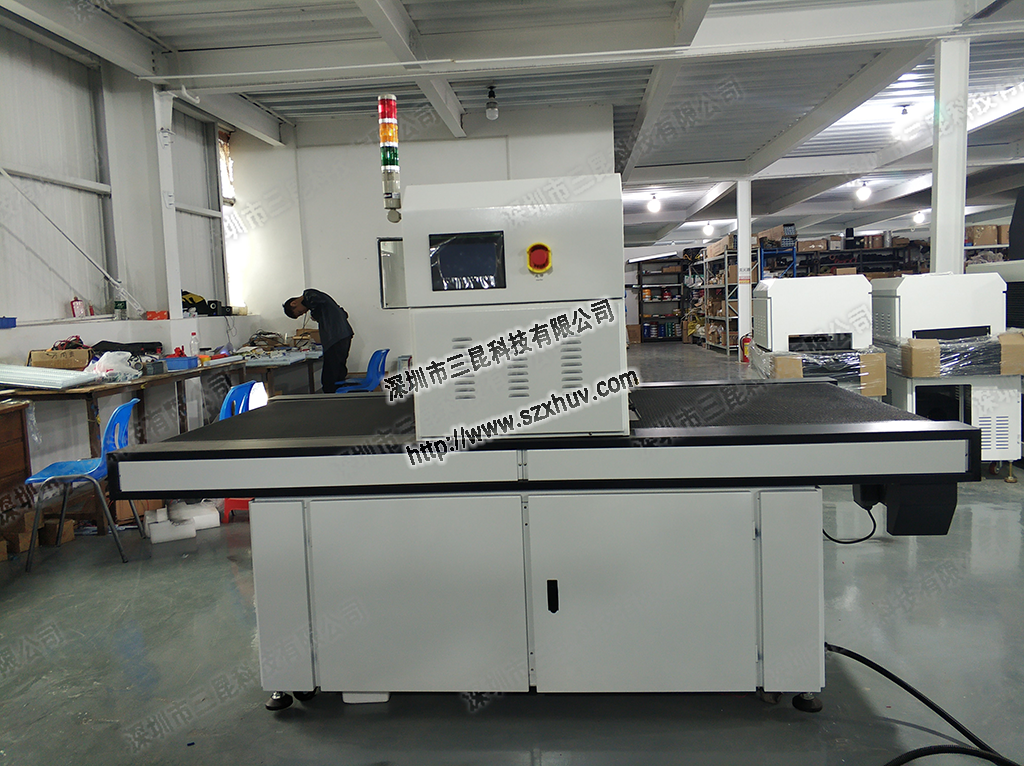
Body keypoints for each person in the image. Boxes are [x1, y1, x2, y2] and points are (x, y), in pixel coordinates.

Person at [283, 289, 353, 393]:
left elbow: (312, 300)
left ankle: (330, 397)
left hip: (335, 337)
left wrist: (315, 315)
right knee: (338, 370)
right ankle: (338, 394)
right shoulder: (326, 306)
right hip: (343, 334)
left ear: (294, 303)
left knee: (330, 374)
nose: (304, 312)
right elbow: (344, 313)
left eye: (300, 312)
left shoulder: (309, 294)